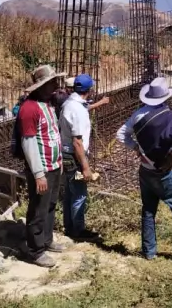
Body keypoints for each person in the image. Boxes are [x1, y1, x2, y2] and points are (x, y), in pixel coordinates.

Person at [116, 77, 172, 263]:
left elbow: (120, 134)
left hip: (146, 170)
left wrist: (136, 148)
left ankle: (149, 252)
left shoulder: (137, 115)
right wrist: (169, 158)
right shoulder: (169, 116)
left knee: (149, 210)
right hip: (167, 172)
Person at [11, 64, 66, 268]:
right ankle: (35, 250)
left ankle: (46, 239)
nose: (55, 85)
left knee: (50, 205)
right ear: (40, 86)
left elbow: (52, 133)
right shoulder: (29, 109)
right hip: (41, 168)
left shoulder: (48, 104)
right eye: (51, 82)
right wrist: (38, 173)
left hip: (53, 165)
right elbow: (29, 142)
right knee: (38, 209)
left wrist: (58, 162)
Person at [59, 73, 100, 241]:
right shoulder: (78, 110)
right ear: (89, 90)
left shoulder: (69, 103)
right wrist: (85, 167)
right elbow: (77, 142)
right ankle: (78, 231)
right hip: (74, 157)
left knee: (69, 193)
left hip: (66, 153)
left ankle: (69, 228)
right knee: (79, 194)